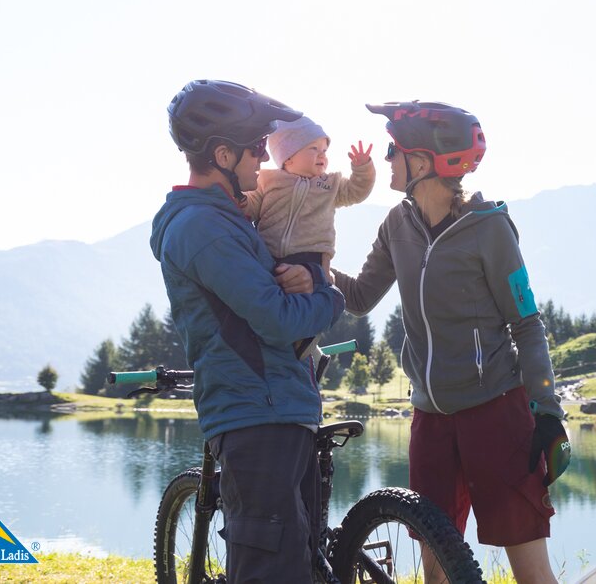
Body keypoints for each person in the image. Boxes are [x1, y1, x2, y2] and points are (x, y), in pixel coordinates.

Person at [333, 100, 570, 584]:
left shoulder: (489, 227)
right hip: (431, 420)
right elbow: (358, 297)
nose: (385, 161)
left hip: (497, 412)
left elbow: (526, 323)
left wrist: (546, 410)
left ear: (422, 161)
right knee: (436, 567)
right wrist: (315, 268)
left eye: (393, 150)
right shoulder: (396, 225)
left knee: (530, 570)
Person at [151, 79, 346, 583]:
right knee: (271, 569)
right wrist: (328, 296)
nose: (264, 159)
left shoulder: (226, 219)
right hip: (256, 415)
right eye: (254, 148)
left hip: (277, 409)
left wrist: (305, 277)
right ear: (220, 153)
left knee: (297, 564)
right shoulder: (202, 227)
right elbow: (277, 318)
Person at [241, 112, 375, 358]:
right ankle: (282, 349)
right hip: (271, 259)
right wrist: (240, 201)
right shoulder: (268, 181)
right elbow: (251, 204)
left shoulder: (329, 185)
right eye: (314, 148)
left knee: (309, 305)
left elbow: (357, 191)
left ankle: (305, 349)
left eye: (325, 149)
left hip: (313, 258)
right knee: (275, 308)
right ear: (288, 157)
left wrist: (362, 168)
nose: (322, 155)